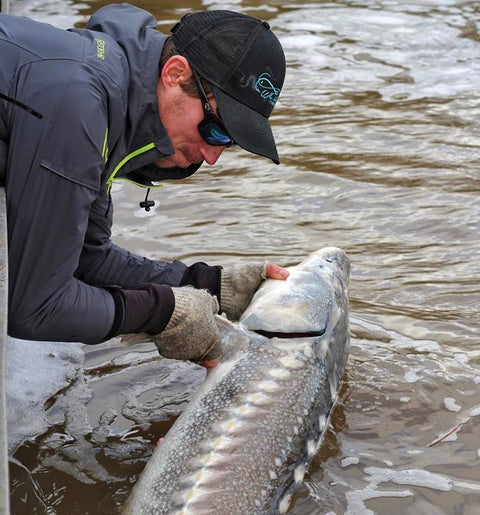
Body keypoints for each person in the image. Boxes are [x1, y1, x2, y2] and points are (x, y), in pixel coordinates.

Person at [0, 3, 288, 366]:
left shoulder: (110, 94)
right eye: (217, 129)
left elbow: (89, 257)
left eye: (229, 142)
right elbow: (36, 306)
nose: (213, 156)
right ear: (175, 73)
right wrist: (161, 313)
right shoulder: (78, 103)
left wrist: (211, 285)